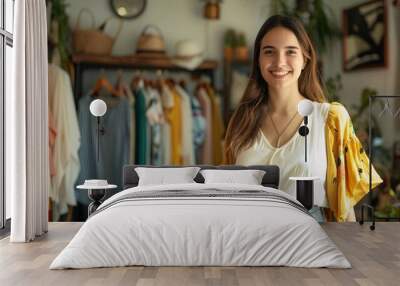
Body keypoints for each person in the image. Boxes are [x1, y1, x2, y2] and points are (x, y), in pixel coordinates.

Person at [223, 15, 382, 222]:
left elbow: (346, 204)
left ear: (305, 59)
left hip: (310, 240)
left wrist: (350, 251)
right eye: (269, 51)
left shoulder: (331, 119)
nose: (279, 62)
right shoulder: (241, 122)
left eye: (290, 51)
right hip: (248, 239)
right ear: (259, 61)